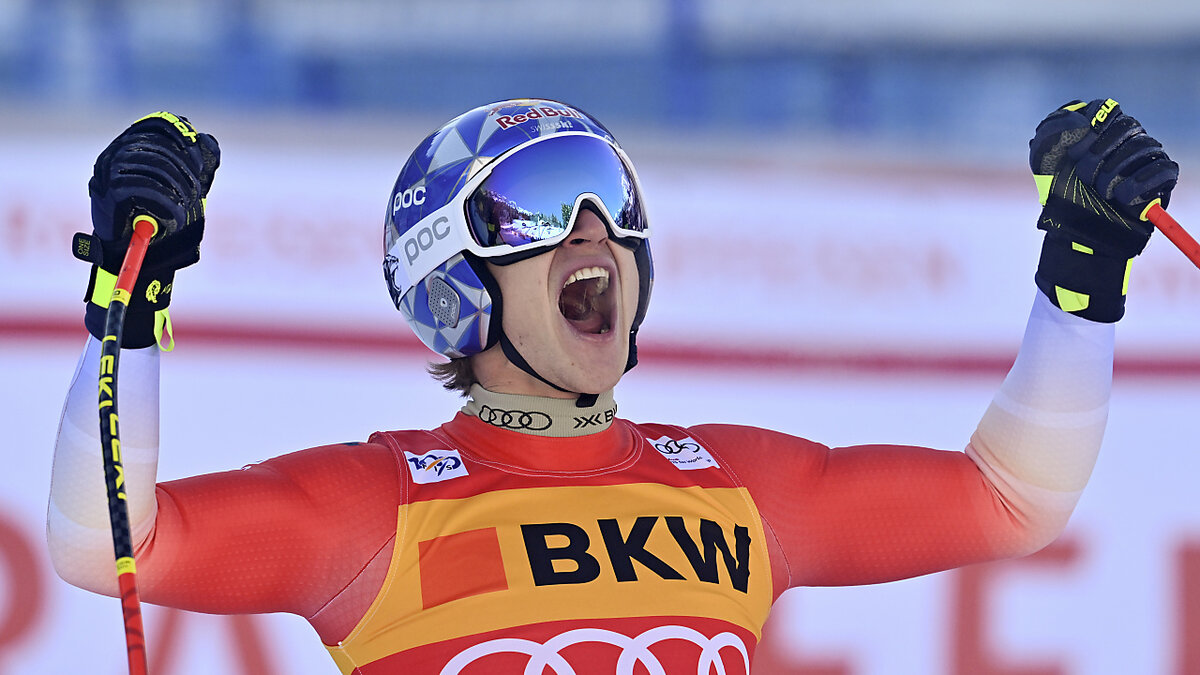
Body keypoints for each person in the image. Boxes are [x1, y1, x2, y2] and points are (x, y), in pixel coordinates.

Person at [48, 98, 1177, 674]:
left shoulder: (736, 485)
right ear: (454, 284)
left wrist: (1082, 275)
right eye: (538, 208)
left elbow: (1013, 498)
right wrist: (127, 302)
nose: (593, 227)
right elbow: (105, 545)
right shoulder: (378, 507)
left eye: (608, 196)